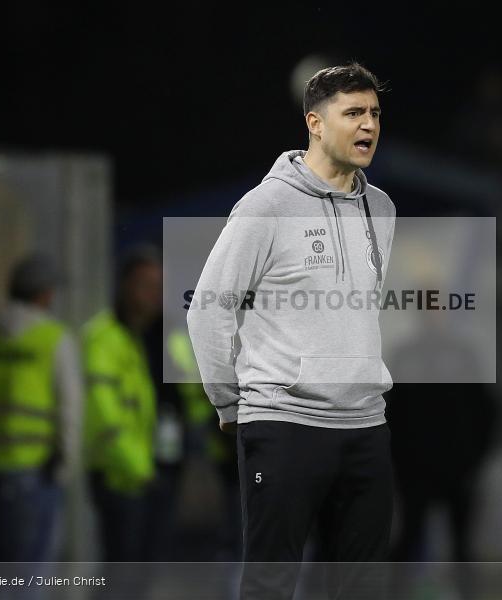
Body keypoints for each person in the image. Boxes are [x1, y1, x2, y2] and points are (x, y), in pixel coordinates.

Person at [187, 62, 395, 600]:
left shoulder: (381, 208)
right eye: (353, 113)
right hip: (284, 424)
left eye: (374, 113)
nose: (368, 125)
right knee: (271, 585)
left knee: (363, 589)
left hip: (366, 426)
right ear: (315, 123)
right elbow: (207, 310)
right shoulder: (266, 206)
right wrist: (229, 402)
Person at [0, 253, 83, 563]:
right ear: (44, 294)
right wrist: (65, 466)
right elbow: (70, 409)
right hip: (33, 473)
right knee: (27, 573)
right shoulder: (53, 338)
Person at [83, 245, 161, 563]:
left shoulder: (131, 339)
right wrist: (139, 468)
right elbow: (104, 415)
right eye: (145, 286)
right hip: (119, 476)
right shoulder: (105, 338)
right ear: (125, 286)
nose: (153, 296)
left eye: (157, 287)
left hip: (133, 475)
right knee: (122, 571)